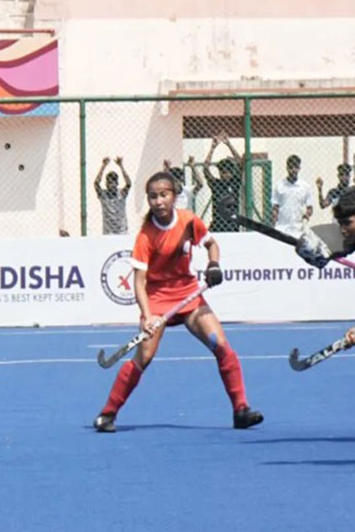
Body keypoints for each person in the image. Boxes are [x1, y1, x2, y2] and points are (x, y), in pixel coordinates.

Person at [93, 171, 262, 433]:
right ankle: (108, 413)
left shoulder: (188, 221)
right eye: (153, 197)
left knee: (221, 345)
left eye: (164, 195)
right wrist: (147, 316)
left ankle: (241, 409)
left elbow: (211, 244)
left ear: (174, 195)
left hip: (189, 296)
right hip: (158, 301)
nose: (159, 201)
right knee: (144, 357)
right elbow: (139, 282)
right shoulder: (146, 237)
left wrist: (213, 264)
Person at [203, 134, 243, 232]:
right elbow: (205, 168)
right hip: (217, 223)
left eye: (227, 172)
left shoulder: (235, 182)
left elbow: (241, 163)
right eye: (222, 172)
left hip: (232, 224)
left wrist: (229, 144)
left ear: (231, 172)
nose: (225, 175)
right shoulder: (216, 184)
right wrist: (212, 148)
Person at [271, 154, 314, 237]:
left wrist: (306, 216)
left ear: (299, 168)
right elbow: (275, 207)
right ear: (287, 168)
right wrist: (274, 222)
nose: (293, 170)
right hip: (281, 228)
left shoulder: (305, 186)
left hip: (298, 229)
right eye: (291, 167)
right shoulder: (280, 185)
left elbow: (310, 208)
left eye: (296, 167)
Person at [94, 156, 132, 235]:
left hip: (122, 231)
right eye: (109, 182)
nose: (111, 185)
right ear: (106, 184)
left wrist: (121, 166)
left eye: (113, 182)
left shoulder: (121, 194)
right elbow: (96, 183)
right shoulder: (103, 195)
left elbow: (128, 183)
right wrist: (103, 166)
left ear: (117, 183)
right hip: (108, 232)